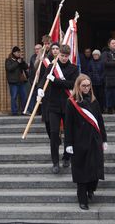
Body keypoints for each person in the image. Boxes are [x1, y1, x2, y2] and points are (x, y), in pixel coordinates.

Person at [65, 74, 107, 210]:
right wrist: (68, 144)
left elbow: (100, 121)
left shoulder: (94, 101)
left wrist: (104, 139)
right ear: (78, 86)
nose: (87, 88)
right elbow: (68, 125)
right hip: (79, 142)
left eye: (89, 85)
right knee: (82, 172)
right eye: (84, 85)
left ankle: (91, 189)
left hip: (94, 141)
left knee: (95, 170)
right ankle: (82, 200)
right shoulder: (71, 102)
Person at [37, 44, 79, 174]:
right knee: (54, 134)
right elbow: (44, 79)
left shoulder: (73, 68)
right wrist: (39, 89)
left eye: (66, 56)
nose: (64, 58)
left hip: (68, 105)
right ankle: (55, 162)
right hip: (53, 105)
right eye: (62, 56)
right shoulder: (51, 67)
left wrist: (55, 80)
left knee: (69, 133)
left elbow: (72, 84)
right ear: (58, 54)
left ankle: (67, 157)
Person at [5, 46, 28, 116]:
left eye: (19, 52)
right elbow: (9, 68)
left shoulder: (20, 60)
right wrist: (17, 62)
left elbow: (26, 67)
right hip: (13, 82)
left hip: (21, 81)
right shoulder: (8, 60)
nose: (19, 53)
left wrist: (22, 61)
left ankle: (24, 110)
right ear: (14, 52)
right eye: (18, 52)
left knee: (24, 96)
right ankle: (14, 112)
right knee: (14, 97)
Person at [27, 43, 43, 113]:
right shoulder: (33, 57)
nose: (36, 50)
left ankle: (40, 110)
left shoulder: (45, 56)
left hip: (42, 79)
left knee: (40, 95)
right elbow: (34, 66)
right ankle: (32, 110)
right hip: (34, 80)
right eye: (35, 49)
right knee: (33, 95)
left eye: (38, 49)